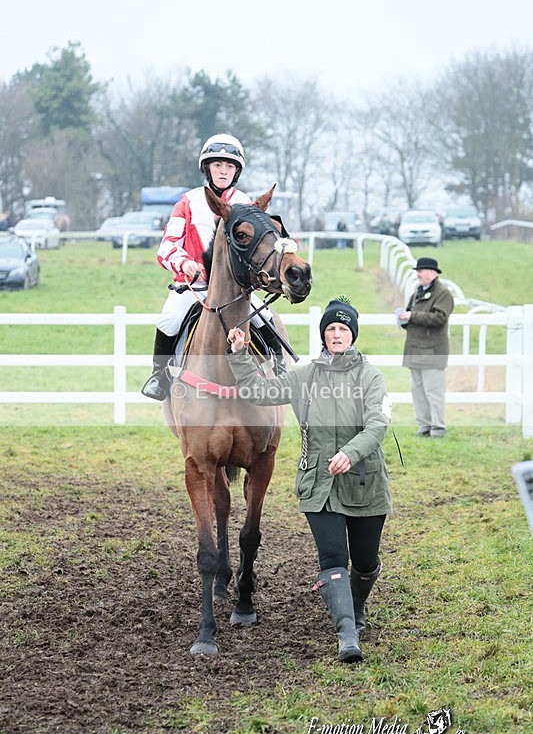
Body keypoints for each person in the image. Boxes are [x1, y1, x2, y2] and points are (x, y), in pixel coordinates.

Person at [226, 297, 392, 663]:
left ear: (352, 335)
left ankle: (357, 605)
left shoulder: (370, 375)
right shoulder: (306, 374)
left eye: (343, 329)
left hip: (365, 482)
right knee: (333, 557)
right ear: (323, 335)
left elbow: (378, 423)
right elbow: (260, 391)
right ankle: (347, 633)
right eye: (331, 328)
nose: (336, 334)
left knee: (365, 562)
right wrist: (239, 354)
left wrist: (351, 452)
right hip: (319, 484)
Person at [142, 133, 284, 401]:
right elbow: (166, 247)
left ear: (236, 171)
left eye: (229, 166)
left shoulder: (246, 202)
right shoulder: (188, 201)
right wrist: (185, 263)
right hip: (193, 286)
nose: (223, 171)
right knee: (169, 320)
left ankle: (279, 367)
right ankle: (159, 375)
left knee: (264, 319)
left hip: (235, 290)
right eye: (218, 165)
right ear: (207, 168)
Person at [398, 257, 455, 438]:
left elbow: (439, 318)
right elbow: (411, 314)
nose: (417, 275)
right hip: (415, 349)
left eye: (420, 271)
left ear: (431, 273)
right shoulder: (417, 293)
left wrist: (412, 316)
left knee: (434, 392)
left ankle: (438, 428)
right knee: (418, 391)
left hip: (432, 351)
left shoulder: (443, 294)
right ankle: (424, 426)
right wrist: (403, 319)